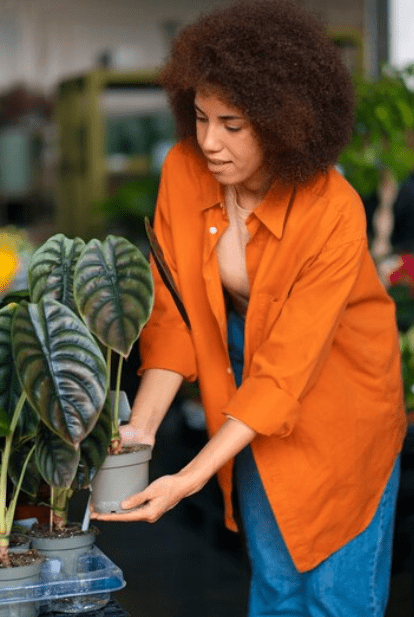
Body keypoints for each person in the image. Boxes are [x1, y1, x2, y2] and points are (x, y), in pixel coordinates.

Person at [91, 1, 407, 615]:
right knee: (275, 587)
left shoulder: (333, 210)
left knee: (335, 597)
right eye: (202, 117)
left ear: (285, 121)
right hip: (252, 409)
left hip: (344, 402)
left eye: (232, 125)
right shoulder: (184, 171)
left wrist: (190, 479)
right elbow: (175, 320)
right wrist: (143, 430)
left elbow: (285, 374)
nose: (209, 141)